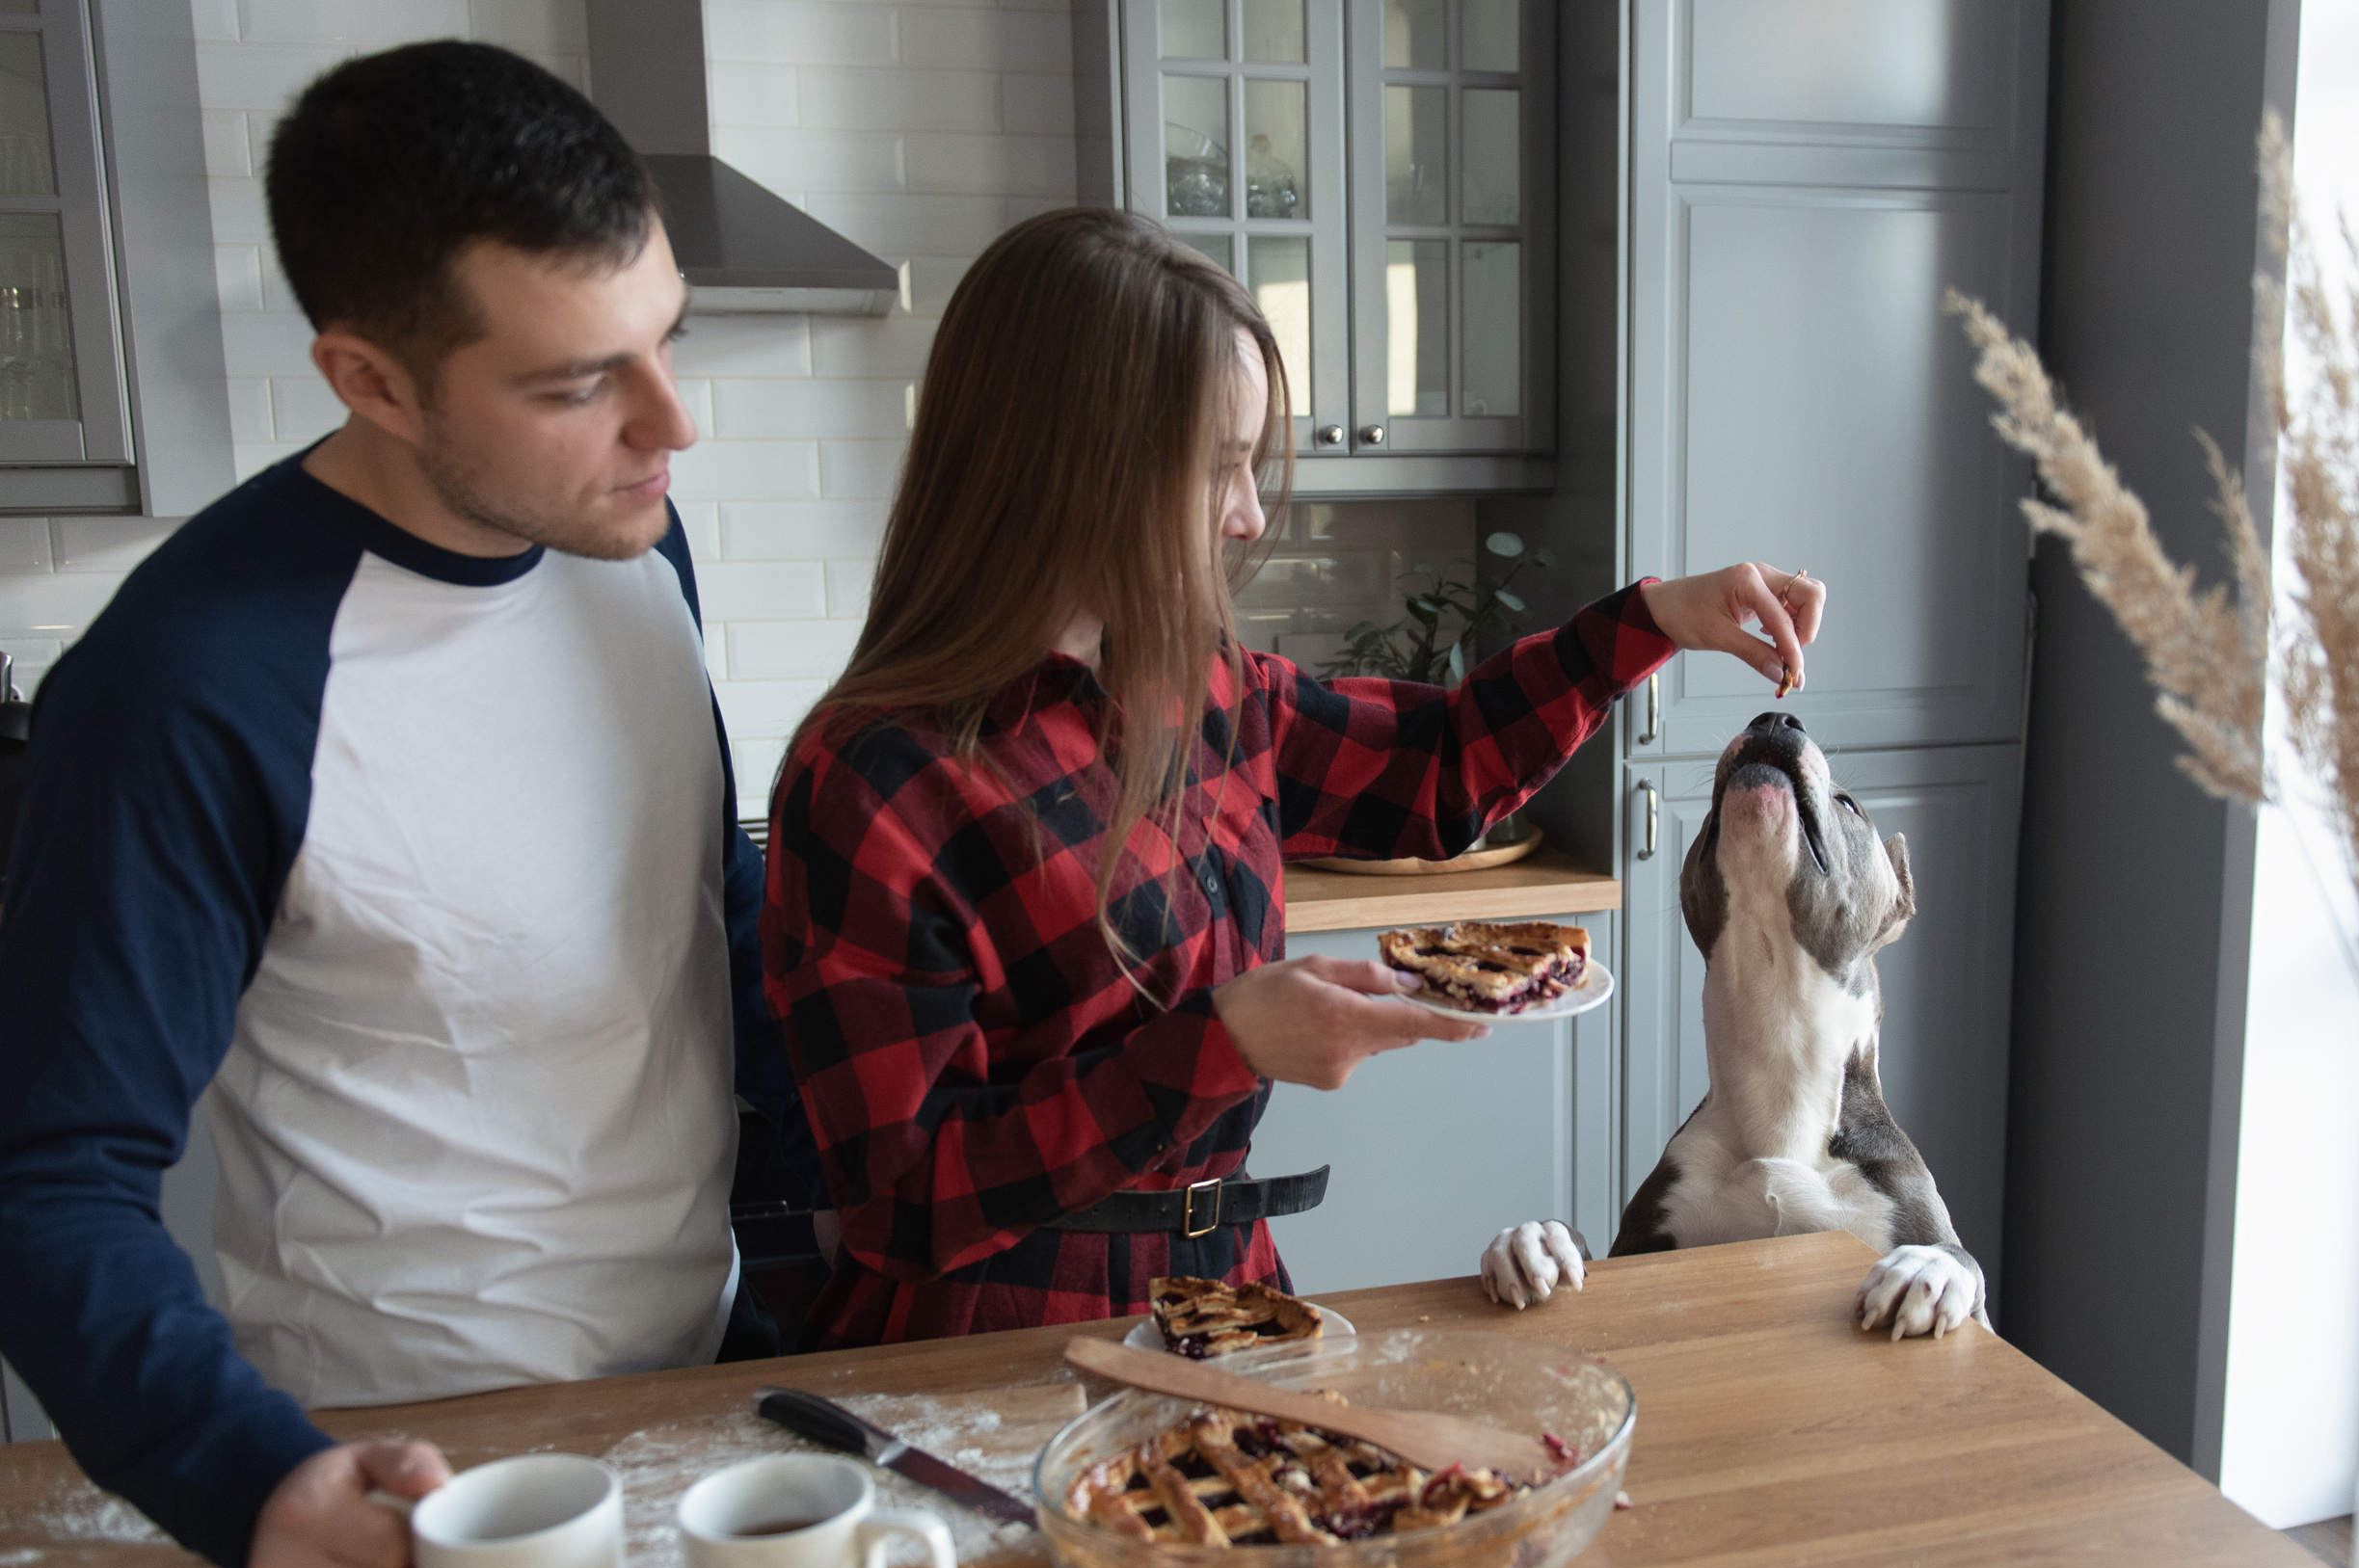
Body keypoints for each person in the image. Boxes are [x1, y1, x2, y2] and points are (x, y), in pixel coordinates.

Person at [0, 42, 804, 1568]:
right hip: (415, 1466)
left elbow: (693, 911)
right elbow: (47, 1173)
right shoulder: (195, 683)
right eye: (579, 382)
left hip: (708, 1382)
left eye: (666, 339)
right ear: (368, 377)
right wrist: (250, 1479)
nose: (673, 422)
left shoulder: (633, 537)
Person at [763, 207, 1826, 1350]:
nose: (1249, 514)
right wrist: (1224, 1043)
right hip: (991, 1342)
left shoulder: (1202, 688)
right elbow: (899, 1195)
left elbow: (1436, 765)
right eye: (1216, 466)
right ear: (1072, 468)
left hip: (1224, 1299)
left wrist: (1653, 620)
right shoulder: (875, 781)